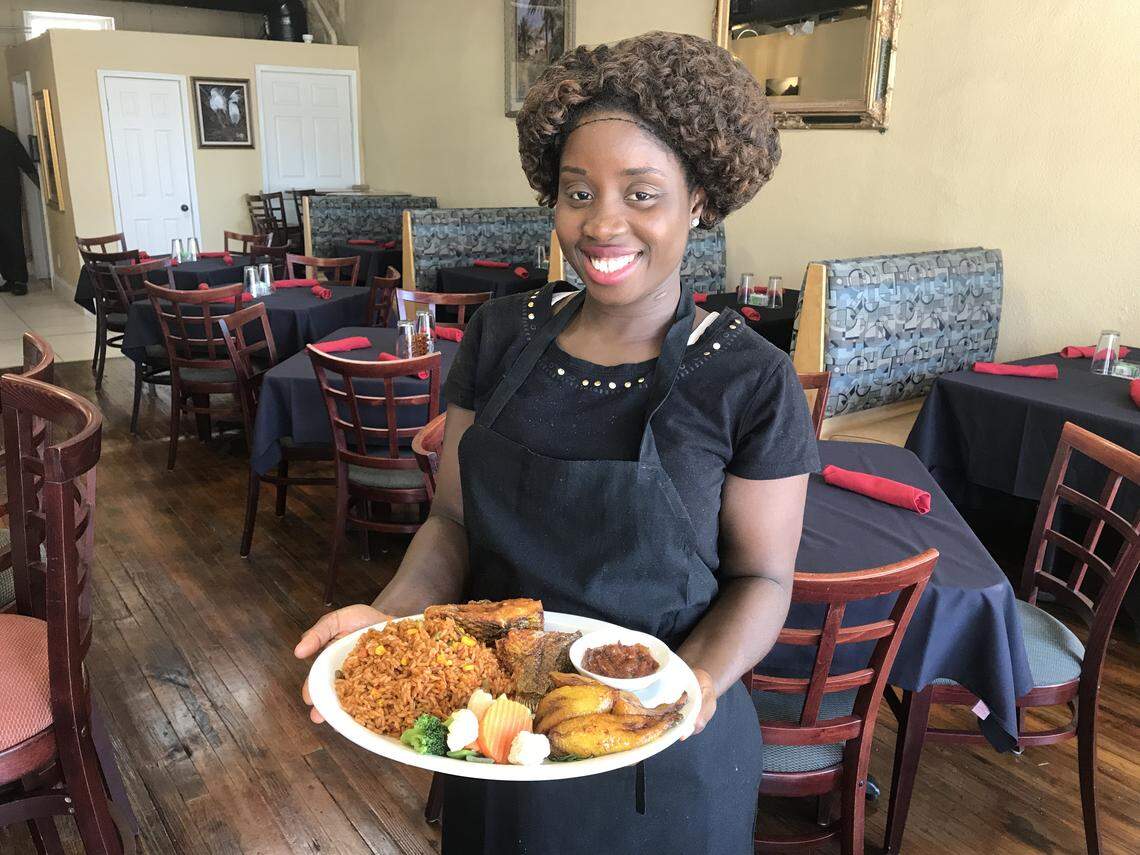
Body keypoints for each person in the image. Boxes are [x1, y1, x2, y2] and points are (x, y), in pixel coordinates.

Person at [296, 31, 820, 854]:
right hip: (500, 737)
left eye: (641, 193)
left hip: (666, 756)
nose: (602, 223)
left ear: (699, 200)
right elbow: (451, 523)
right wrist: (387, 623)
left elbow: (764, 577)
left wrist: (692, 681)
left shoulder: (750, 378)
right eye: (579, 191)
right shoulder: (500, 334)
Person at [0, 124, 40, 297]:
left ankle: (19, 280)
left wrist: (43, 187)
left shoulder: (7, 137)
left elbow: (25, 163)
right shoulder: (8, 136)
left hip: (7, 195)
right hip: (8, 193)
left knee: (12, 235)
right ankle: (9, 277)